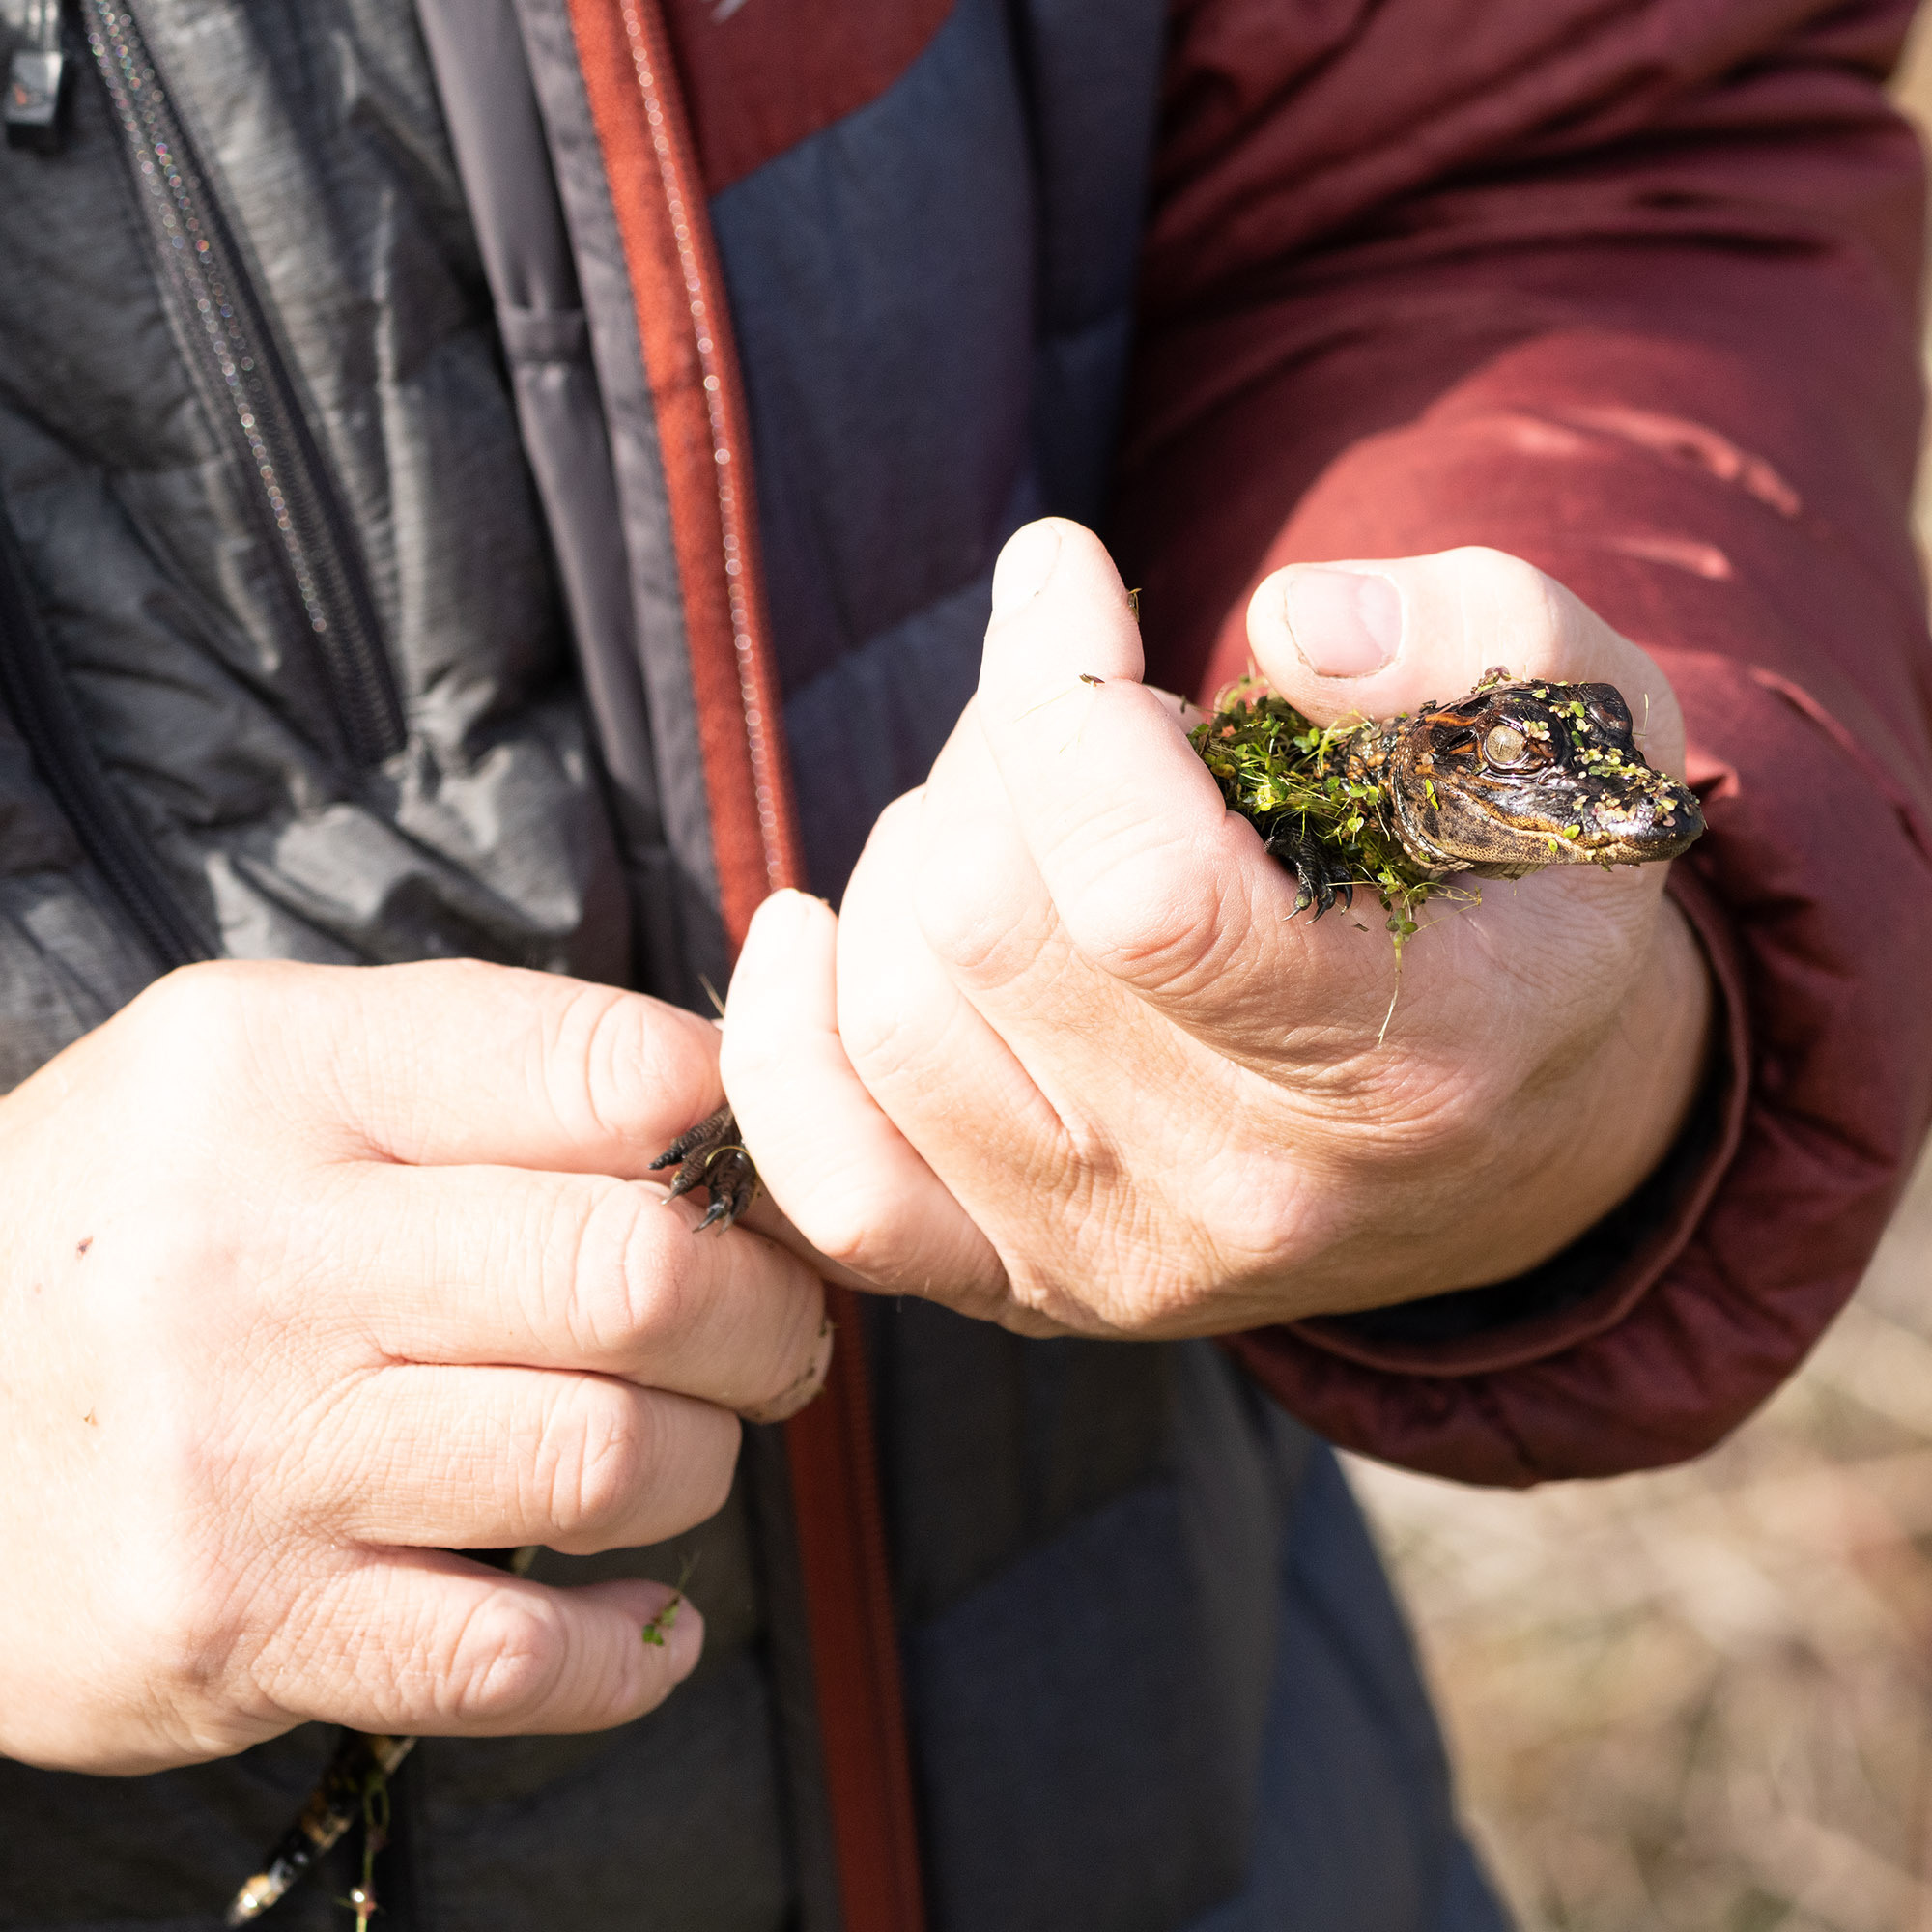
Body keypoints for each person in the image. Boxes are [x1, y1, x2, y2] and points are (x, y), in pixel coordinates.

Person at [1, 0, 1927, 1927]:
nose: (1612, 803)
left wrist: (1594, 1039)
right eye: (1552, 797)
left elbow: (1541, 151)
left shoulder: (1373, 799)